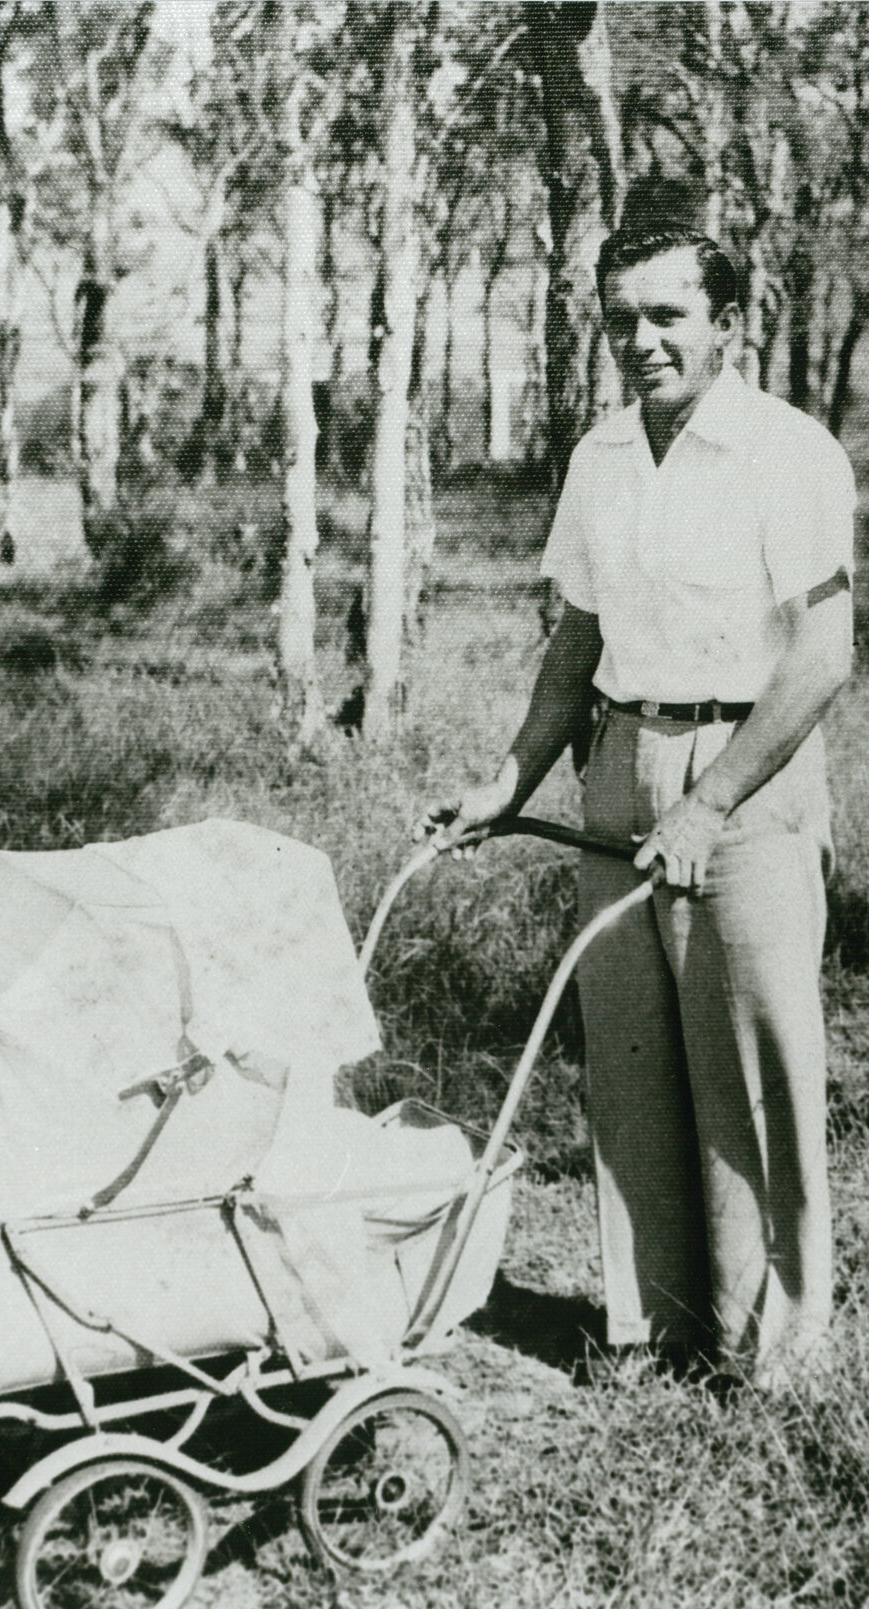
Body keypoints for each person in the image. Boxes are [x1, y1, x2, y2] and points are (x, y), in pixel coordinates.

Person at [422, 224, 856, 1390]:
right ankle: (655, 1332)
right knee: (630, 1059)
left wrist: (709, 804)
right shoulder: (603, 455)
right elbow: (579, 638)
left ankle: (772, 1353)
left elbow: (821, 656)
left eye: (668, 315)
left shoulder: (787, 452)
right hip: (619, 764)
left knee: (750, 1062)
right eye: (622, 318)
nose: (642, 339)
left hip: (746, 771)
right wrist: (509, 780)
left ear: (728, 324)